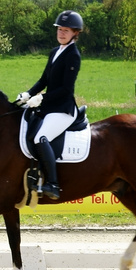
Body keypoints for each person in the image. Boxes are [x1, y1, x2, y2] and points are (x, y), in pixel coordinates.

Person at [15, 11, 83, 199]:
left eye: (66, 30)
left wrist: (41, 98)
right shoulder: (55, 52)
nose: (61, 33)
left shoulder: (73, 55)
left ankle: (53, 184)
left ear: (75, 33)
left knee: (40, 137)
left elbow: (66, 89)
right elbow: (44, 79)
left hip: (63, 109)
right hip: (49, 107)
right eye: (59, 29)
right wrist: (28, 93)